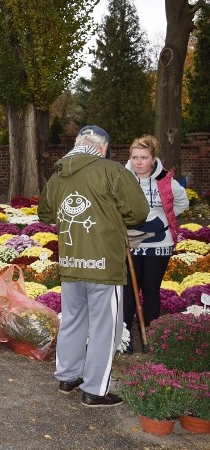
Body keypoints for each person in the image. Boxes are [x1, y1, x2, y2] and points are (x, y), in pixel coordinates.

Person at [38, 125, 149, 408]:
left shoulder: (58, 174)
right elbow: (138, 212)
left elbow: (46, 213)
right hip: (104, 264)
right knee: (105, 328)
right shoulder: (112, 171)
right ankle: (96, 390)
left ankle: (67, 377)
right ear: (103, 148)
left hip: (71, 261)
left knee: (73, 320)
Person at [122, 135, 189, 353]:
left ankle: (151, 334)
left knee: (151, 289)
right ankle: (125, 338)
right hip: (130, 242)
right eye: (134, 157)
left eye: (143, 157)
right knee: (128, 291)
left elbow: (182, 202)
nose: (138, 162)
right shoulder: (122, 180)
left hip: (158, 244)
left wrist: (164, 220)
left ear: (153, 159)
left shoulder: (166, 180)